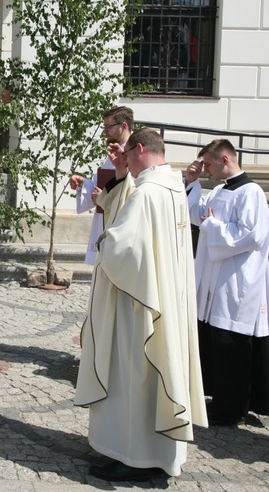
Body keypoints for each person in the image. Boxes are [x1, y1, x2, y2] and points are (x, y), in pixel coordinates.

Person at [75, 128, 207, 481]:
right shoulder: (172, 186)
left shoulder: (148, 192)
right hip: (163, 295)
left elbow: (124, 247)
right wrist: (120, 173)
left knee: (134, 375)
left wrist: (105, 242)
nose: (127, 161)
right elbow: (123, 209)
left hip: (139, 302)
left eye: (129, 155)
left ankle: (135, 458)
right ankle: (151, 454)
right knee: (152, 375)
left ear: (142, 149)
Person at [185, 139, 269, 426]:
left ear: (225, 159)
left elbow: (252, 235)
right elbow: (196, 215)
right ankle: (220, 399)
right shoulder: (220, 191)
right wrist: (191, 183)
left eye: (209, 164)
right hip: (215, 278)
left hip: (237, 281)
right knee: (214, 341)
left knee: (232, 345)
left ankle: (233, 407)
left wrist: (213, 226)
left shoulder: (252, 192)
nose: (207, 170)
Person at [69, 106, 133, 265]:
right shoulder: (113, 152)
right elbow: (102, 183)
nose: (105, 131)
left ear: (123, 126)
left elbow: (133, 191)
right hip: (104, 221)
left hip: (121, 225)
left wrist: (104, 199)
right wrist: (83, 183)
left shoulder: (134, 154)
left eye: (108, 127)